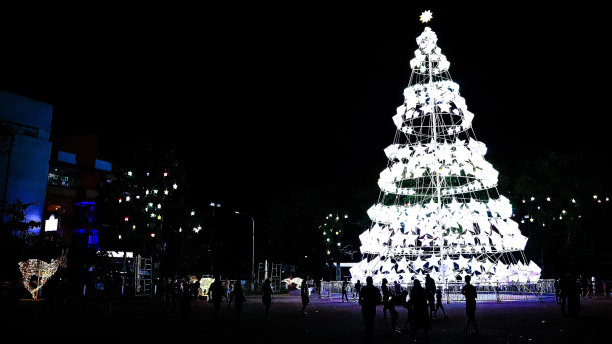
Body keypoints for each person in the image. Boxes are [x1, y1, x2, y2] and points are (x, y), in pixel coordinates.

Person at [359, 276, 381, 343]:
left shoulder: (363, 288)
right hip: (372, 306)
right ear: (372, 281)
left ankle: (367, 331)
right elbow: (379, 298)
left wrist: (361, 302)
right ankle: (370, 332)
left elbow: (360, 297)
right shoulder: (375, 289)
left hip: (365, 306)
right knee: (371, 319)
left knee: (366, 319)